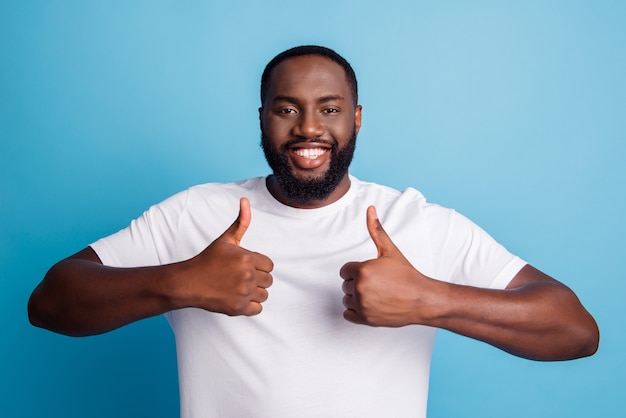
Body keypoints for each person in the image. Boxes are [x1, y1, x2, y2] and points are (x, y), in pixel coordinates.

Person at [28, 45, 599, 418]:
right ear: (261, 118)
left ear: (356, 118)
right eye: (286, 109)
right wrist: (180, 282)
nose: (308, 128)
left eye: (329, 109)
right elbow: (50, 301)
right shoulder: (197, 215)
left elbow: (575, 331)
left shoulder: (415, 222)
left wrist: (430, 299)